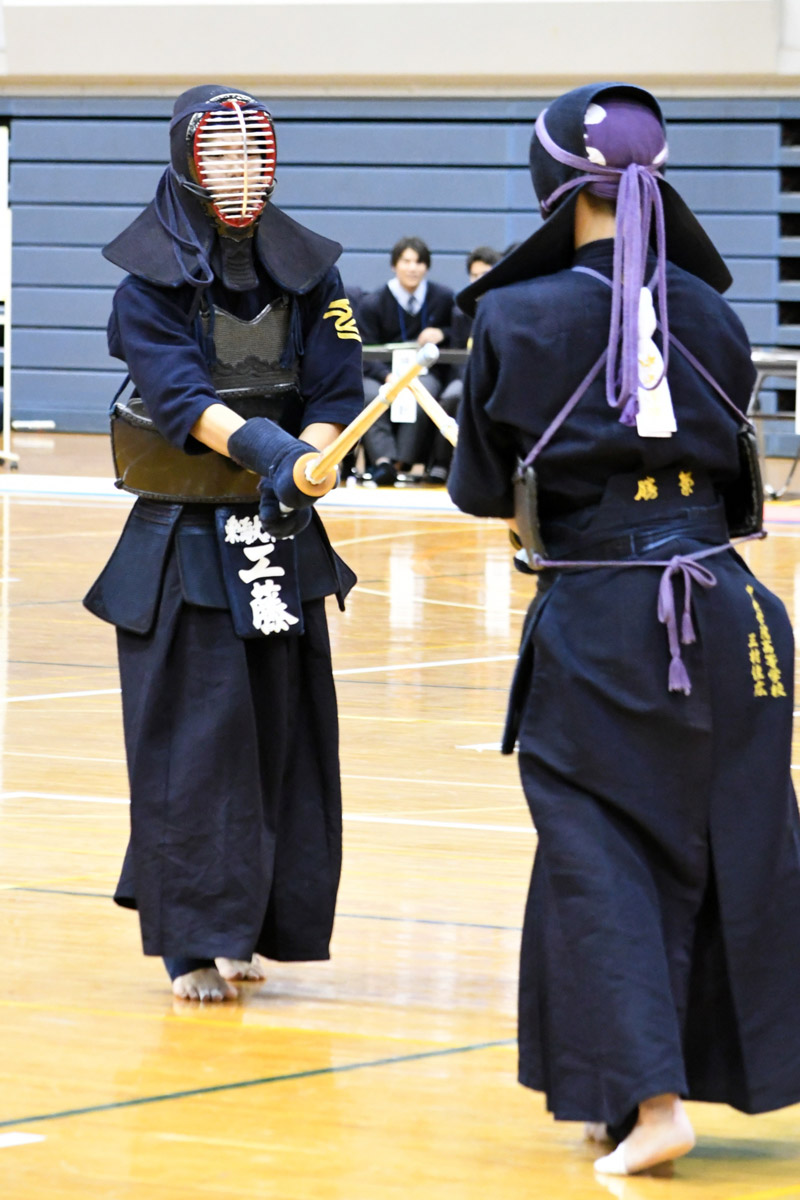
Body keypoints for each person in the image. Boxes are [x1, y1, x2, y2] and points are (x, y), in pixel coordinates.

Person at [448, 82, 800, 1176]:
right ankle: (637, 1090)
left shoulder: (511, 314)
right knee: (727, 843)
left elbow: (477, 489)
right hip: (735, 612)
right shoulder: (713, 311)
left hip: (603, 615)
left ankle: (649, 1103)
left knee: (596, 849)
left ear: (550, 185)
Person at [84, 85, 363, 1002]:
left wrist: (313, 459)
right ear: (188, 163)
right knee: (195, 745)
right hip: (184, 535)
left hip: (280, 530)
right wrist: (271, 454)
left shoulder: (312, 274)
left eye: (254, 155)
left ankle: (254, 926)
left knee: (282, 738)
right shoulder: (144, 285)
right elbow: (176, 398)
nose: (241, 173)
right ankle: (192, 943)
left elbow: (333, 384)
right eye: (223, 156)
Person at [357, 236, 453, 485]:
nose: (413, 268)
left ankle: (404, 462)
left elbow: (459, 333)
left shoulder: (443, 298)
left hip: (423, 372)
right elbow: (363, 349)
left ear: (427, 267)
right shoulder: (373, 303)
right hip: (381, 372)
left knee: (426, 393)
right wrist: (387, 376)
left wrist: (442, 333)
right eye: (406, 261)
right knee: (370, 396)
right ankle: (383, 462)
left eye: (419, 262)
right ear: (394, 265)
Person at [430, 246, 501, 482]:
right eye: (474, 275)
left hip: (500, 379)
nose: (479, 280)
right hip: (466, 378)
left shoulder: (506, 306)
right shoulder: (460, 310)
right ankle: (441, 463)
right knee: (450, 398)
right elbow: (458, 353)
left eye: (485, 274)